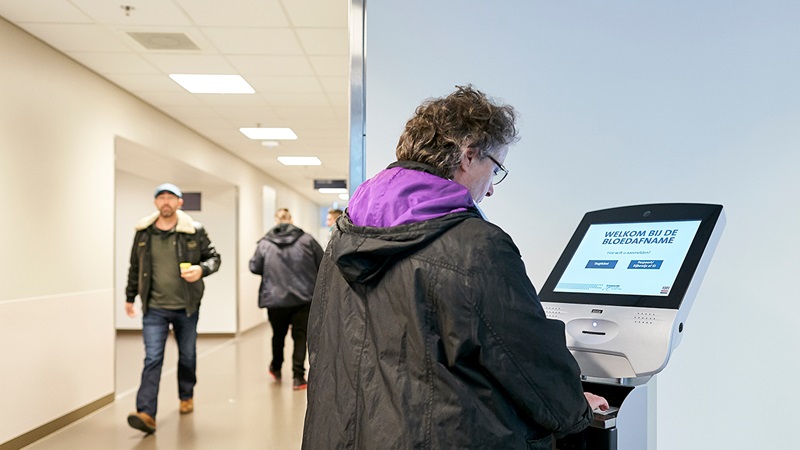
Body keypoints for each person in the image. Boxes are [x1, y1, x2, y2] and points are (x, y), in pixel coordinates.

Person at [302, 85, 608, 449]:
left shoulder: (346, 232)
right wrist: (576, 407)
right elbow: (526, 359)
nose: (492, 189)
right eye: (496, 168)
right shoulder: (477, 246)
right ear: (468, 156)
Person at [125, 183, 221, 433]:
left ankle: (186, 394)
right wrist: (129, 296)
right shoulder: (144, 233)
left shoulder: (194, 231)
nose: (165, 202)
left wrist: (202, 269)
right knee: (153, 358)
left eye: (171, 198)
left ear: (180, 202)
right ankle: (146, 413)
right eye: (161, 198)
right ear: (155, 203)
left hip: (186, 306)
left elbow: (214, 258)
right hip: (154, 307)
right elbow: (135, 266)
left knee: (187, 355)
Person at [249, 208, 324, 390]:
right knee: (300, 336)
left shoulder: (265, 243)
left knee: (278, 335)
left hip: (275, 300)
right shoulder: (307, 240)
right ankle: (298, 377)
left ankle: (276, 367)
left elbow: (254, 266)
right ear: (291, 219)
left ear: (276, 221)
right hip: (303, 298)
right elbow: (322, 262)